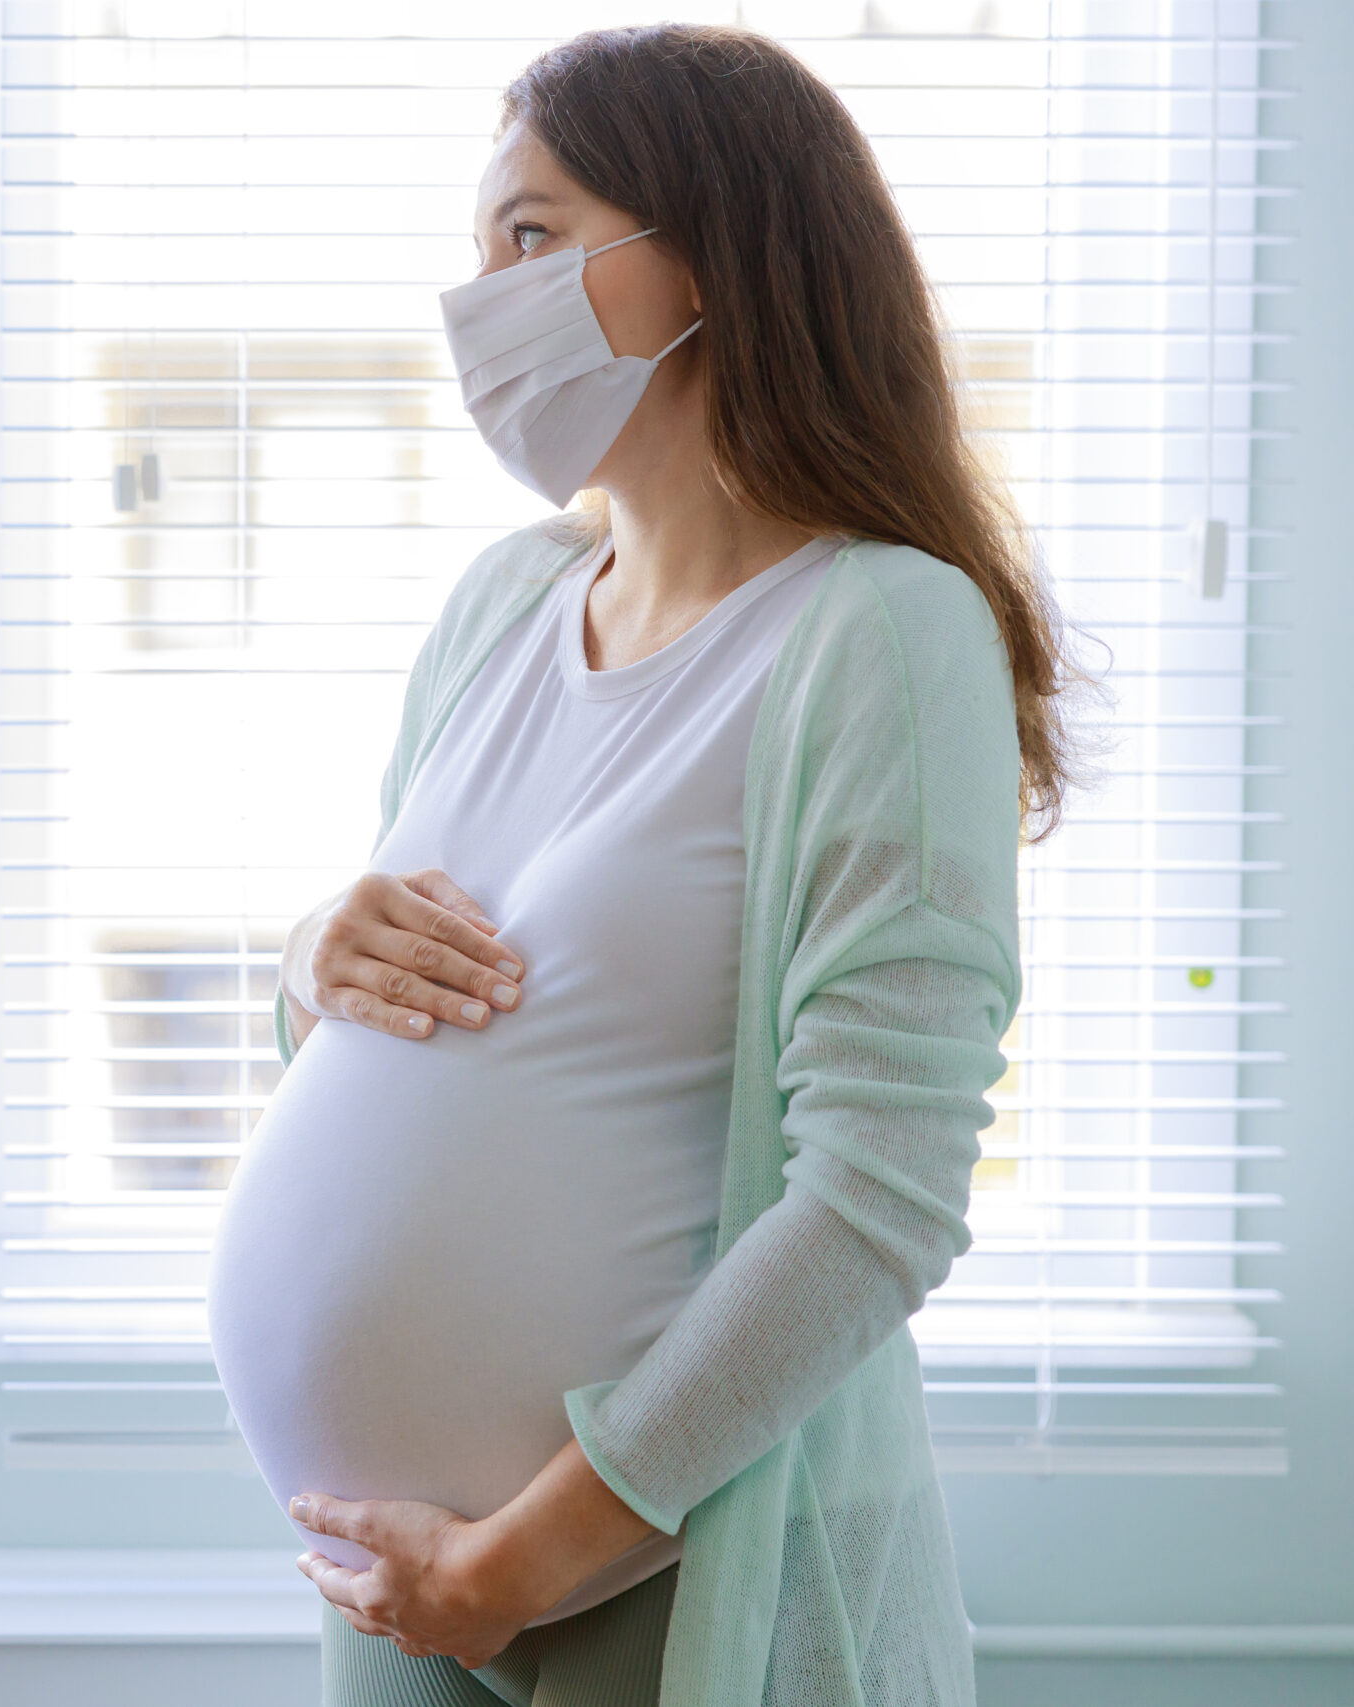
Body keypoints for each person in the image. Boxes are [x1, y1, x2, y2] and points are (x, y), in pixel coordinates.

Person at [200, 23, 1080, 1707]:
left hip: (649, 1572)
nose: (481, 296)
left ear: (720, 251)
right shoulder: (501, 607)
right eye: (475, 249)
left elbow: (876, 1198)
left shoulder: (880, 633)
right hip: (397, 1568)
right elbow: (425, 1051)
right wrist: (314, 960)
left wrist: (524, 1560)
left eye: (531, 237)